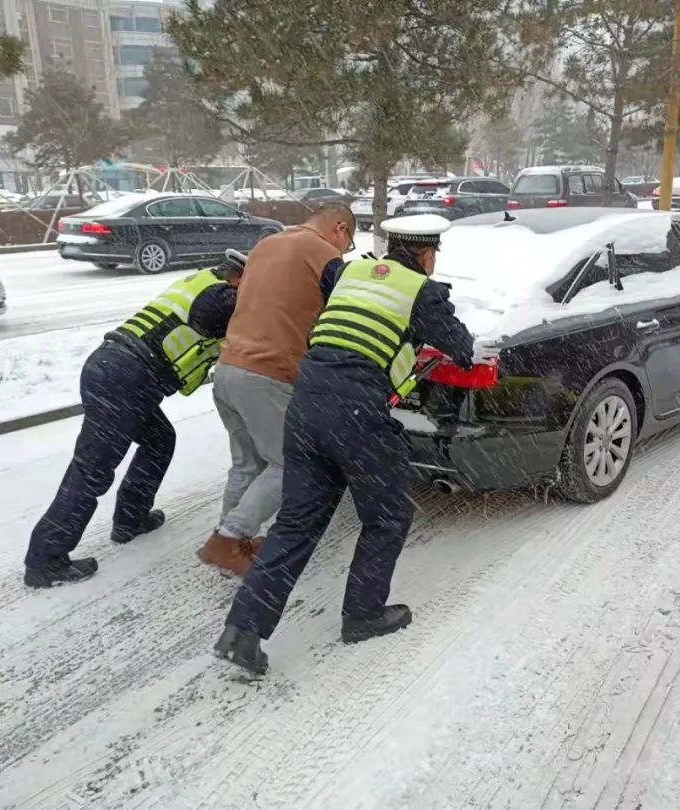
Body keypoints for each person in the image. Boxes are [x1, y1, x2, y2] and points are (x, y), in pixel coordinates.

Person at [214, 214, 475, 675]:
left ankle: (243, 630)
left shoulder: (347, 271)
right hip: (356, 411)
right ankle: (363, 613)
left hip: (306, 403)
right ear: (428, 254)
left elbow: (346, 298)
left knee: (296, 524)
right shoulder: (423, 292)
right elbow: (462, 347)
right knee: (388, 515)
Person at [23, 255, 245, 588]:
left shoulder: (206, 282)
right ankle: (45, 560)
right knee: (92, 469)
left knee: (159, 440)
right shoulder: (221, 299)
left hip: (117, 368)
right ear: (240, 278)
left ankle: (131, 518)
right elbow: (251, 320)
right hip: (128, 378)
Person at [196, 203, 355, 577]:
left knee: (247, 463)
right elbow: (346, 306)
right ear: (340, 228)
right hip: (268, 373)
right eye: (347, 243)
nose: (343, 251)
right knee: (291, 464)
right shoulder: (321, 251)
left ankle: (229, 550)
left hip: (229, 368)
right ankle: (228, 537)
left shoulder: (266, 245)